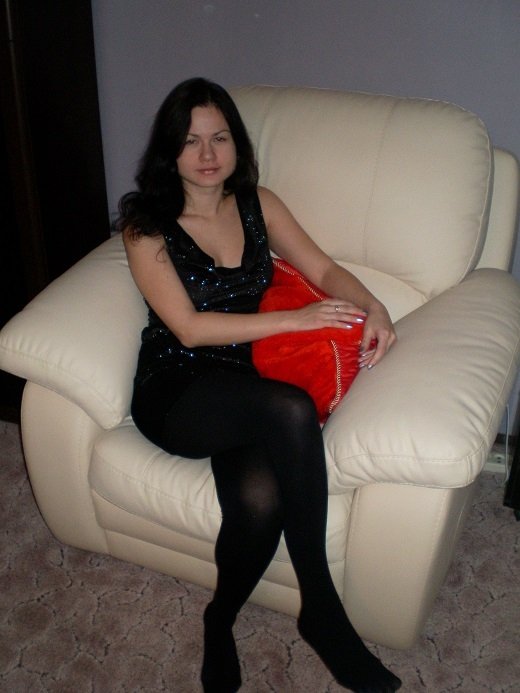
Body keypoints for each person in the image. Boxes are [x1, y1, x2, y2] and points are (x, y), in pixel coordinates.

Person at [118, 77, 401, 693]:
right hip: (178, 387)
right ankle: (321, 609)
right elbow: (189, 329)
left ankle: (219, 621)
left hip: (247, 385)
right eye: (191, 141)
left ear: (238, 144)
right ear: (169, 150)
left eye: (220, 138)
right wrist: (295, 321)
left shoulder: (258, 204)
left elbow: (321, 267)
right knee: (290, 409)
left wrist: (375, 307)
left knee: (258, 505)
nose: (207, 154)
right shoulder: (146, 226)